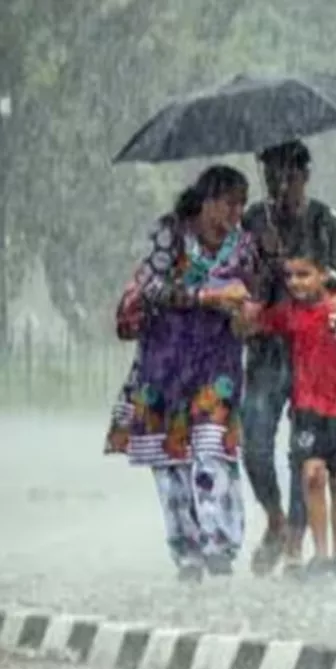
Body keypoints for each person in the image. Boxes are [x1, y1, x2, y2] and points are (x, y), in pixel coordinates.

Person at [104, 165, 257, 582]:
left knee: (213, 451)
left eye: (242, 203)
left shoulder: (244, 245)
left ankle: (220, 545)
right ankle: (186, 552)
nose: (236, 211)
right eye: (230, 202)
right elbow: (151, 285)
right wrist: (204, 295)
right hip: (165, 362)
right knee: (171, 463)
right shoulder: (169, 233)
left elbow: (251, 294)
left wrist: (246, 312)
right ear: (207, 200)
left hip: (216, 362)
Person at [241, 140, 336, 578]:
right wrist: (262, 261)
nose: (280, 186)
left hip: (314, 353)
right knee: (254, 440)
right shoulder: (253, 221)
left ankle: (296, 535)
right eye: (272, 176)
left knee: (304, 449)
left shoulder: (328, 222)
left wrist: (311, 278)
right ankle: (275, 517)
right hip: (268, 348)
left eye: (289, 176)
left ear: (305, 176)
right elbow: (236, 275)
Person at [241, 252, 336, 581]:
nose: (296, 283)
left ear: (324, 275)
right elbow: (253, 323)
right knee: (313, 475)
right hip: (308, 409)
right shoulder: (291, 314)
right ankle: (321, 553)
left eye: (304, 275)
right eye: (290, 276)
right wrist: (242, 303)